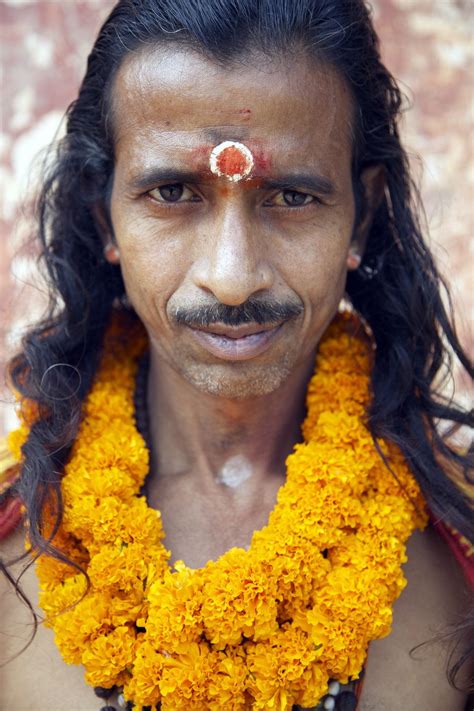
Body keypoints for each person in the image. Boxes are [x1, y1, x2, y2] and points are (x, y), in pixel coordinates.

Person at [0, 1, 473, 709]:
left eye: (289, 195)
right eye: (172, 192)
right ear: (105, 216)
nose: (231, 274)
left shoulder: (450, 563)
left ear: (362, 215)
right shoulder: (17, 549)